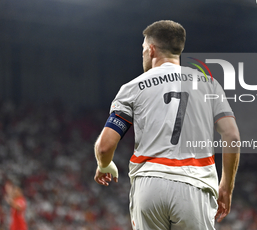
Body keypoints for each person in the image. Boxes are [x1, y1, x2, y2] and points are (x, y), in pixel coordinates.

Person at [94, 20, 240, 230]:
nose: (143, 53)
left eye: (143, 49)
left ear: (152, 49)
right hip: (195, 185)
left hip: (149, 185)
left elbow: (105, 146)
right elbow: (232, 137)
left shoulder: (132, 88)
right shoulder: (210, 84)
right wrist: (226, 186)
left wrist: (104, 164)